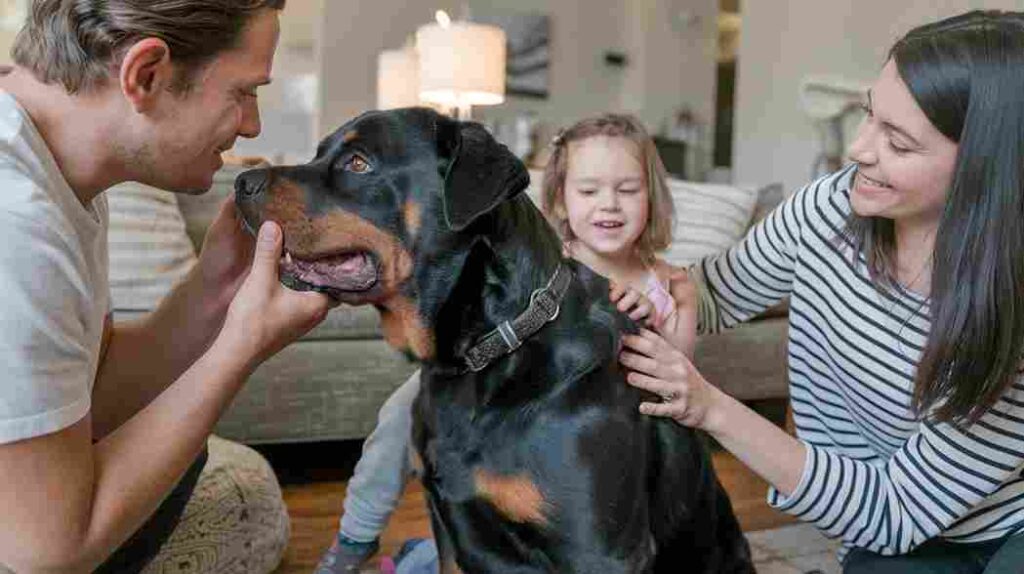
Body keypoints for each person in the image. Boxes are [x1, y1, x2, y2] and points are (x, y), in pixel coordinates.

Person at [620, 10, 1024, 573]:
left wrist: (710, 406)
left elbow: (894, 510)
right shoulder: (830, 208)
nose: (859, 149)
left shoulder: (1011, 313)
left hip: (996, 525)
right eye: (869, 115)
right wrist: (642, 280)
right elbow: (714, 293)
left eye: (898, 143)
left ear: (984, 169)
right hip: (890, 530)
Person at [0, 1, 332, 572]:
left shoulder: (60, 173)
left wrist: (212, 291)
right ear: (146, 74)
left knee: (177, 458)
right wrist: (240, 347)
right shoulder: (17, 223)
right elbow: (44, 554)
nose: (252, 124)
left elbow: (94, 388)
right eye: (243, 91)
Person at [315, 112, 697, 573]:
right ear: (560, 199)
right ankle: (356, 536)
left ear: (652, 196)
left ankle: (417, 556)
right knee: (402, 413)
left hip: (582, 448)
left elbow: (678, 388)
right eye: (589, 190)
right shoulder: (547, 257)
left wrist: (664, 317)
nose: (609, 205)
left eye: (628, 190)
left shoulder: (667, 283)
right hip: (492, 385)